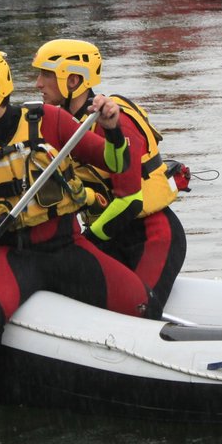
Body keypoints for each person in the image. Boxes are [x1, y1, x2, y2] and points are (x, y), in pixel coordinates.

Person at [0, 47, 153, 409]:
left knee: (141, 303)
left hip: (67, 247)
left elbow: (114, 162)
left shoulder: (50, 120)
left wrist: (112, 131)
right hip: (12, 258)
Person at [31, 39, 187, 319]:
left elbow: (129, 203)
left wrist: (87, 243)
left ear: (73, 79)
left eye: (45, 75)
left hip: (151, 237)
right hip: (110, 238)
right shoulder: (60, 124)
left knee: (139, 312)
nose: (38, 84)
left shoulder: (114, 122)